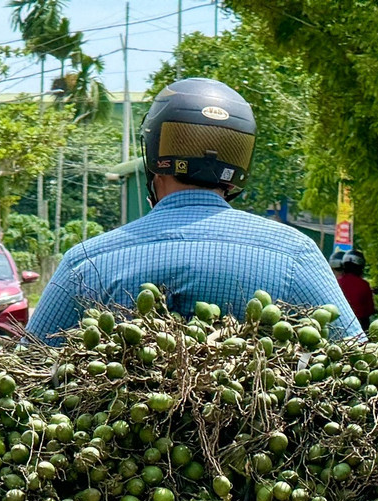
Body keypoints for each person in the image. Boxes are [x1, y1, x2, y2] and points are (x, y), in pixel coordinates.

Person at [26, 78, 360, 345]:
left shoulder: (86, 263)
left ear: (154, 157)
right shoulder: (295, 253)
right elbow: (357, 361)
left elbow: (30, 375)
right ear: (239, 164)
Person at [333, 250, 376, 330]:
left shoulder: (337, 282)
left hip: (337, 323)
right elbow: (369, 310)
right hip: (359, 326)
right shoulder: (364, 285)